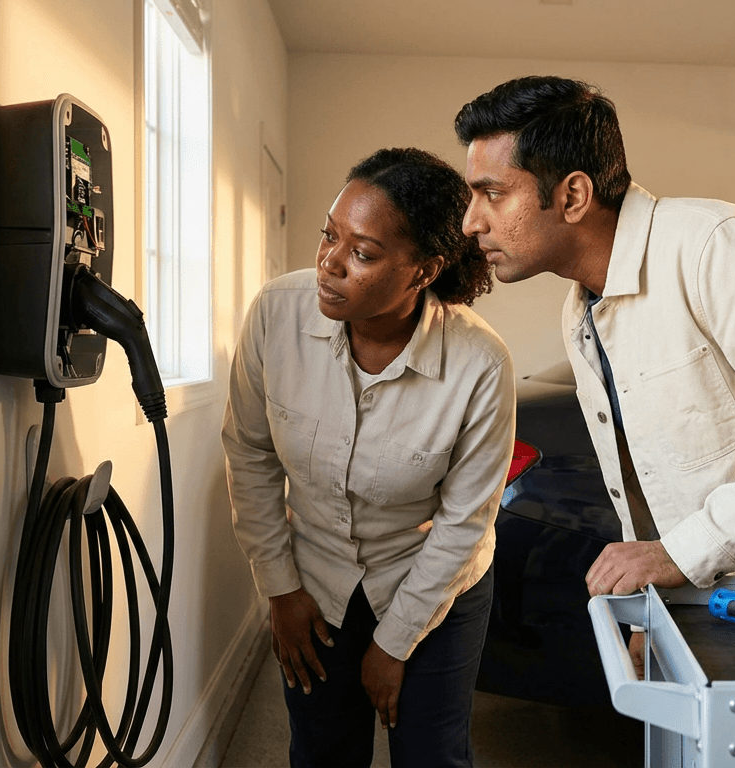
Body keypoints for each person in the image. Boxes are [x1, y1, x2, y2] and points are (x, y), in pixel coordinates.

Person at [454, 76, 735, 667]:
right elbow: (647, 477)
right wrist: (657, 598)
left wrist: (679, 555)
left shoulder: (717, 246)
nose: (472, 222)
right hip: (717, 606)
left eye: (492, 194)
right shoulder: (582, 307)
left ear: (572, 196)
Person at [221, 147, 513, 768]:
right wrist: (279, 587)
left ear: (424, 270)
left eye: (362, 253)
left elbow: (465, 521)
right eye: (329, 235)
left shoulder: (479, 364)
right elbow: (249, 452)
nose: (328, 263)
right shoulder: (276, 313)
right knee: (323, 751)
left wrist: (396, 643)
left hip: (433, 581)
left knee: (431, 755)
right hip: (315, 579)